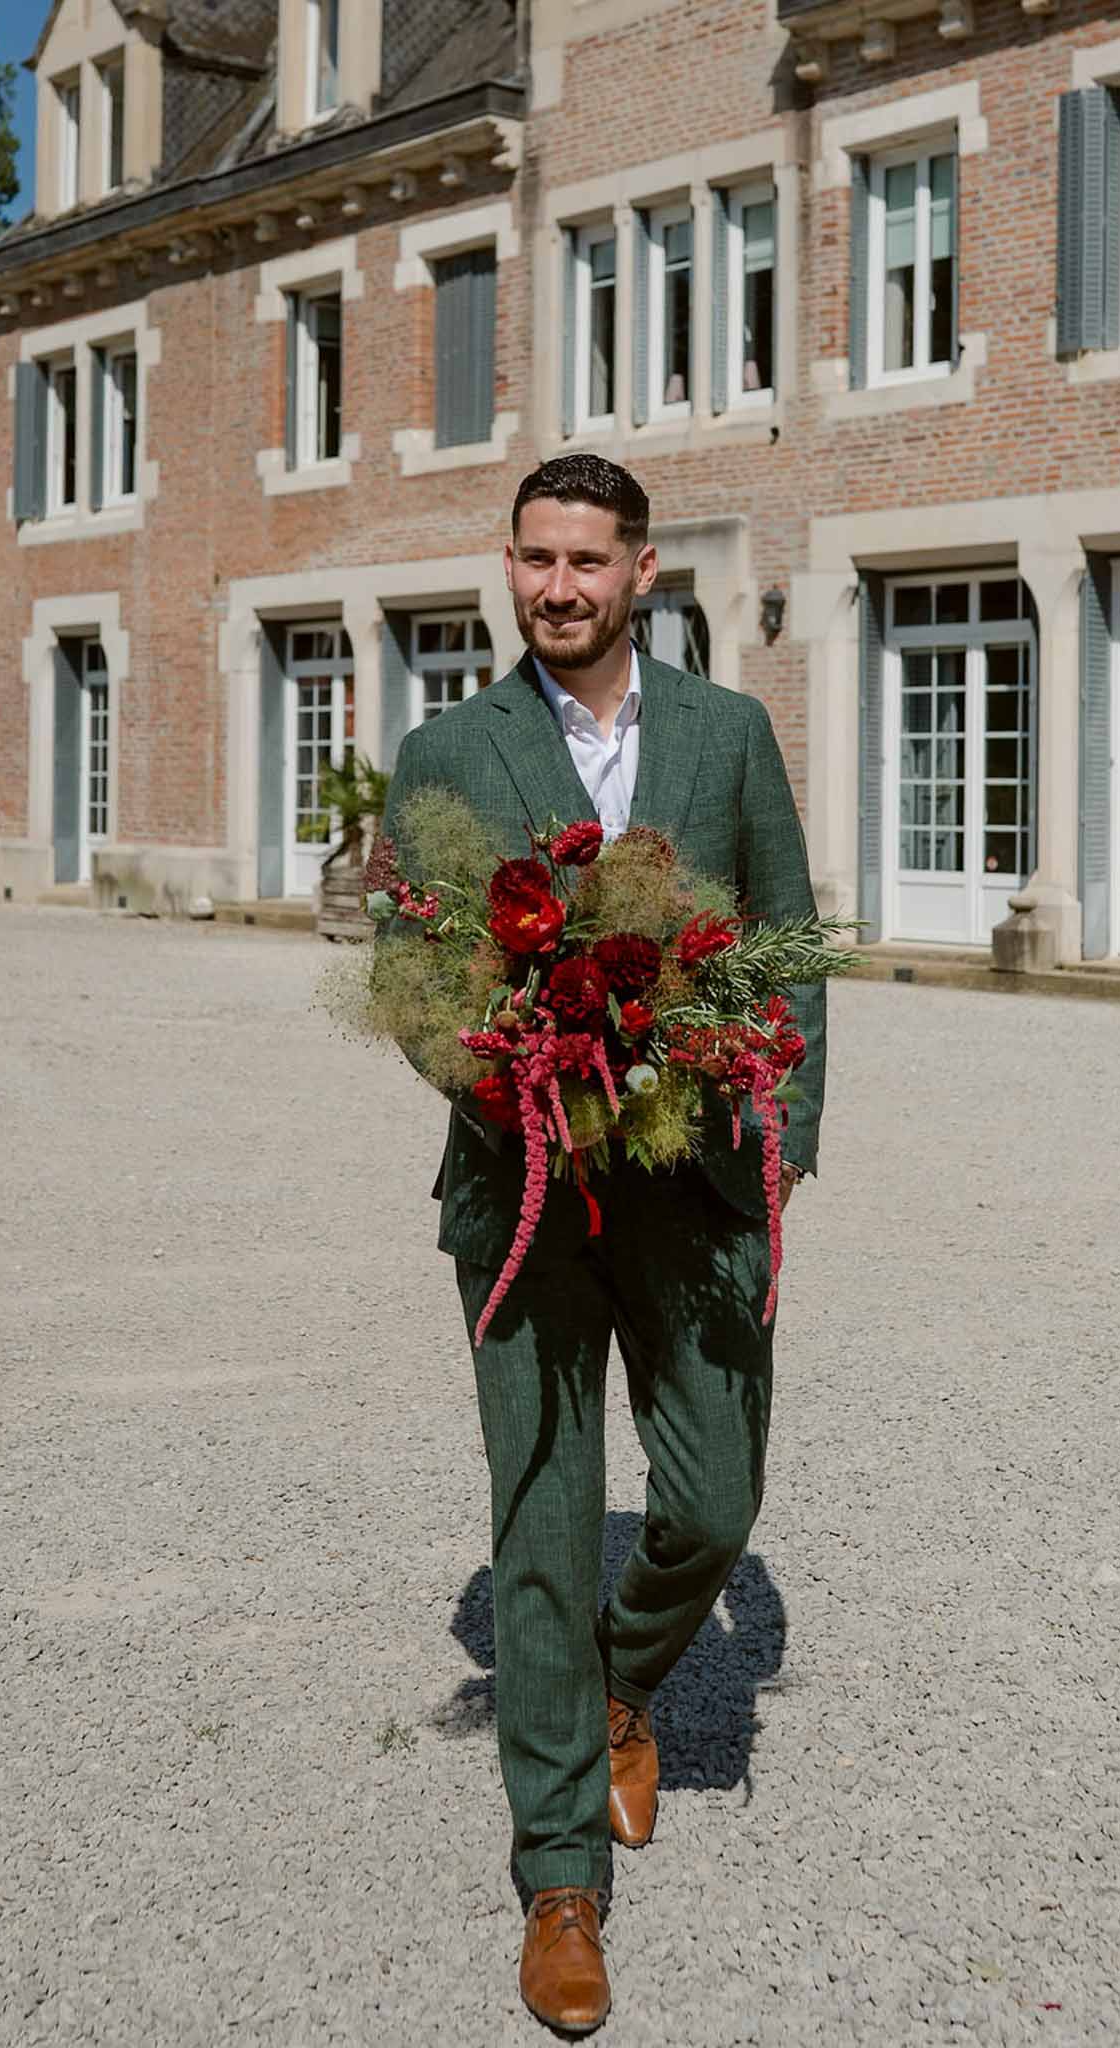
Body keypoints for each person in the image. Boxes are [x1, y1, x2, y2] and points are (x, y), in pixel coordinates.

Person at [379, 454, 825, 2035]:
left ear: (645, 572)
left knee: (712, 1502)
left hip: (700, 1187)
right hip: (525, 1207)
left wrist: (785, 1152)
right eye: (534, 560)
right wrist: (524, 1095)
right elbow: (411, 984)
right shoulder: (446, 751)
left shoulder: (727, 736)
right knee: (548, 1536)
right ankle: (560, 1875)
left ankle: (624, 1688)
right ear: (510, 567)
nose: (558, 587)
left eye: (588, 561)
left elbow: (794, 951)